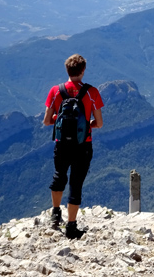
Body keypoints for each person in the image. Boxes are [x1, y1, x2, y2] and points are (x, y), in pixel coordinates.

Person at [43, 54, 104, 239]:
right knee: (76, 184)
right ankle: (71, 226)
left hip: (61, 144)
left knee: (59, 175)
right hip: (83, 145)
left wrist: (62, 123)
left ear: (67, 70)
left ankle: (55, 213)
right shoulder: (92, 92)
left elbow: (47, 121)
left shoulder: (55, 91)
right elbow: (99, 123)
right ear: (83, 71)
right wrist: (85, 125)